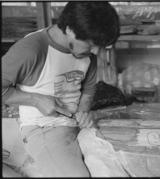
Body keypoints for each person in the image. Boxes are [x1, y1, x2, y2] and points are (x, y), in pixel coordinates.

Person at [2, 2, 120, 177]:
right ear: (70, 29)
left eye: (100, 46)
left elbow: (87, 90)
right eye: (90, 44)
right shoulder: (31, 49)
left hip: (74, 125)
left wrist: (84, 111)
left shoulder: (88, 56)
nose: (96, 51)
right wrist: (35, 99)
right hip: (43, 128)